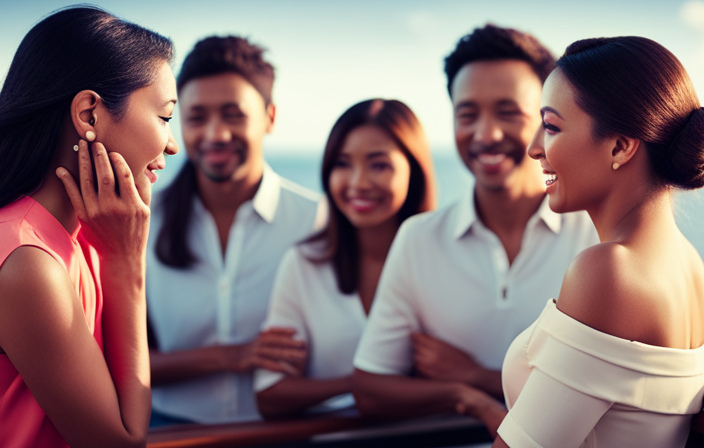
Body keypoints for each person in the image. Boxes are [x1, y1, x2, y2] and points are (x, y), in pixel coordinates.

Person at [462, 36, 704, 448]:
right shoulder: (688, 263)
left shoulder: (609, 270)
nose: (534, 147)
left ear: (620, 145)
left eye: (552, 126)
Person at [352, 24, 598, 419]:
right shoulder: (418, 239)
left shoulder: (598, 239)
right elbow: (370, 388)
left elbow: (608, 389)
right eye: (467, 114)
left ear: (546, 120)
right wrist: (463, 395)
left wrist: (476, 375)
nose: (486, 134)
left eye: (508, 113)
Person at [0, 6, 178, 447]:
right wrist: (127, 264)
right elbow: (122, 441)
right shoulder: (29, 262)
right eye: (165, 117)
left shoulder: (80, 239)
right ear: (89, 114)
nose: (172, 145)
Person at [146, 35, 326, 425]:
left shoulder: (319, 221)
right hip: (170, 431)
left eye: (233, 114)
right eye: (196, 117)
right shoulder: (143, 220)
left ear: (270, 117)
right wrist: (230, 356)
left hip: (288, 433)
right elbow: (116, 360)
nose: (216, 134)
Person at [253, 99, 436, 418]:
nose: (358, 183)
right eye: (342, 163)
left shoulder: (443, 260)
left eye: (378, 165)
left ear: (414, 170)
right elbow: (270, 392)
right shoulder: (304, 264)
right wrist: (367, 383)